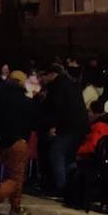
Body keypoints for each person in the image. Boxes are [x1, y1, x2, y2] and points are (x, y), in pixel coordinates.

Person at [0, 71, 38, 215]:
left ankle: (16, 206)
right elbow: (35, 120)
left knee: (12, 175)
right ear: (21, 83)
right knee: (16, 178)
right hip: (17, 142)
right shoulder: (25, 102)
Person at [42, 64, 87, 196]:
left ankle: (61, 187)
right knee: (70, 157)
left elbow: (56, 108)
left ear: (51, 74)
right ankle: (72, 187)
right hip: (81, 126)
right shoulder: (72, 84)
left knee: (57, 153)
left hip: (68, 126)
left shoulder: (58, 85)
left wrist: (52, 126)